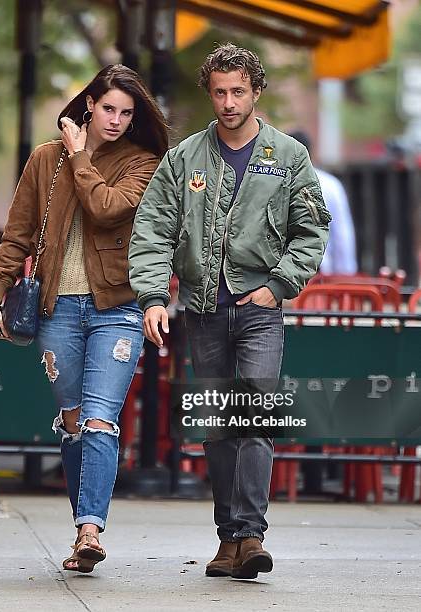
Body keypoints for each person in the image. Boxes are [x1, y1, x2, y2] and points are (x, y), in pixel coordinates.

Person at [129, 44, 330, 580]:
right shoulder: (185, 157)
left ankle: (252, 535)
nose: (228, 101)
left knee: (256, 418)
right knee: (218, 426)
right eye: (219, 91)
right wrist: (152, 296)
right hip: (202, 307)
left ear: (256, 91)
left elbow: (312, 229)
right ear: (209, 92)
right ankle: (229, 539)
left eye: (238, 91)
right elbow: (152, 227)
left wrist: (281, 284)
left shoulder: (287, 155)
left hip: (261, 308)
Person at [0, 64, 167, 572]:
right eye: (108, 108)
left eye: (127, 113)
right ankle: (81, 521)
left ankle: (90, 530)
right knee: (72, 422)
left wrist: (81, 154)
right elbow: (18, 231)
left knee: (101, 418)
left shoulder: (142, 162)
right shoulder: (45, 159)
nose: (116, 120)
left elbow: (106, 209)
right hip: (56, 309)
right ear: (89, 104)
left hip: (118, 308)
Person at [289, 130, 357, 274]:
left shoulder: (276, 184)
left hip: (284, 271)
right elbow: (342, 233)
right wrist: (345, 271)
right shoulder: (330, 184)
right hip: (320, 270)